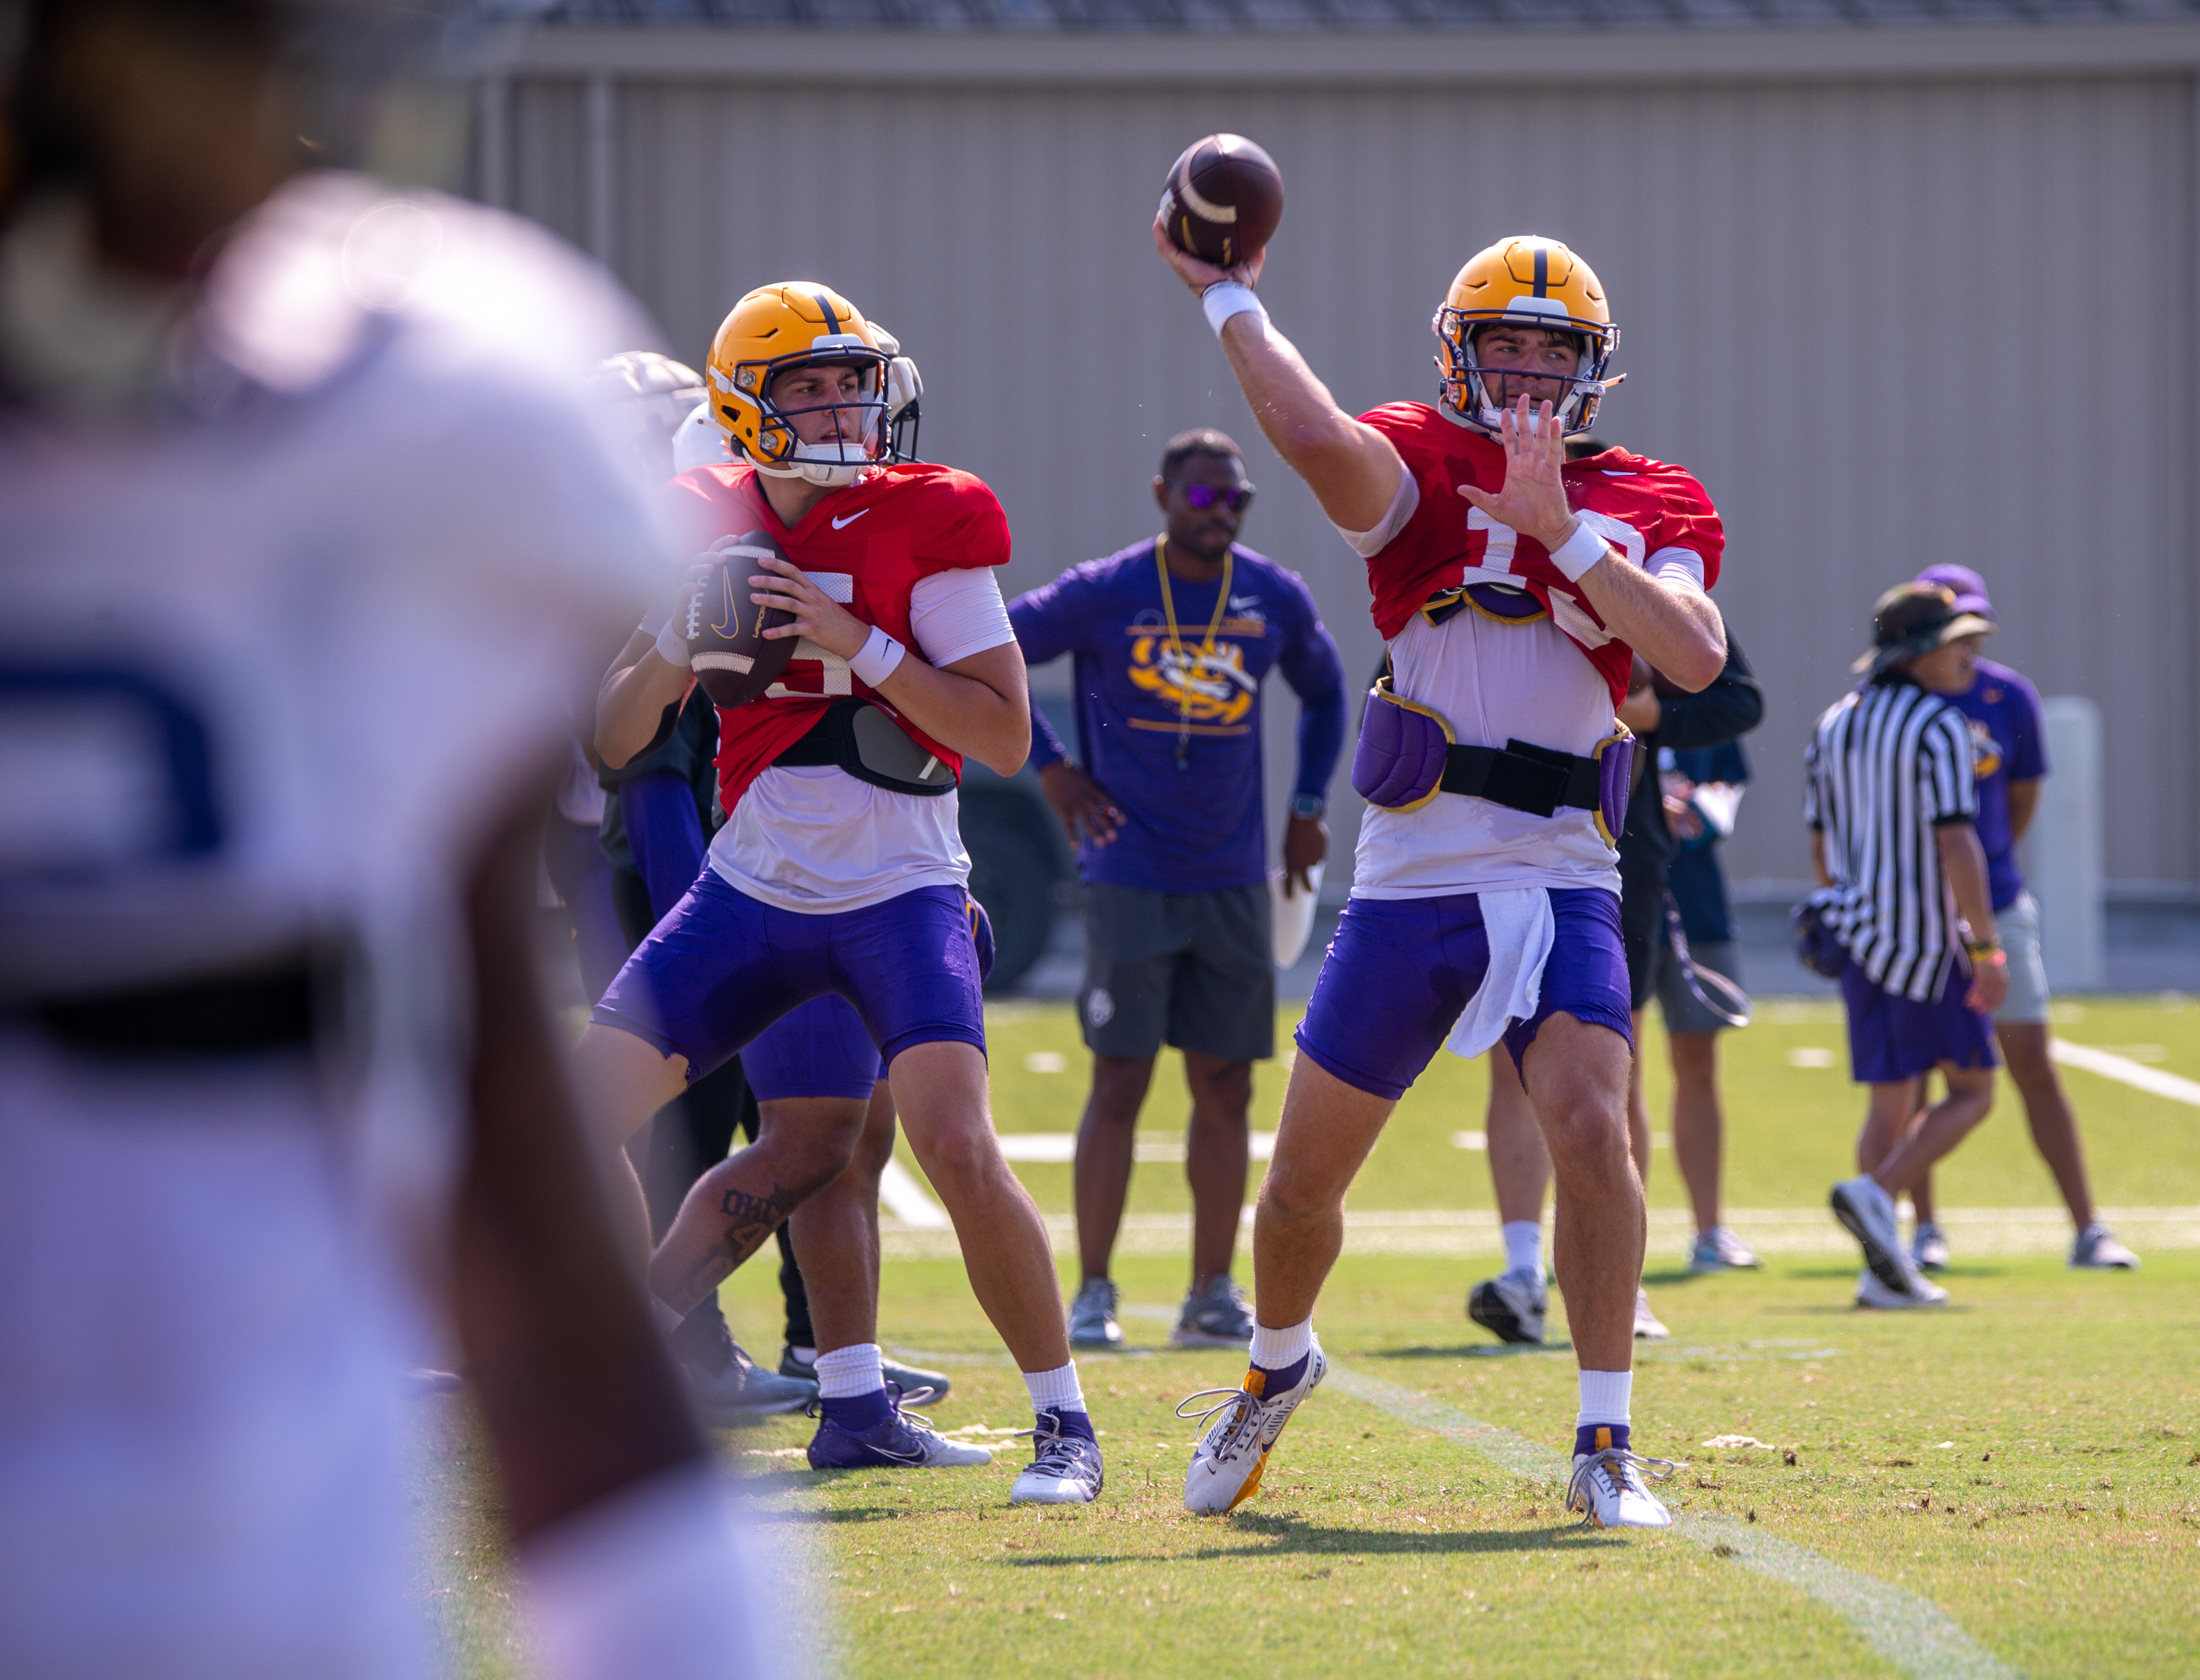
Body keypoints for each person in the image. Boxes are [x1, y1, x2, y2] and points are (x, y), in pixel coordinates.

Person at [0, 2, 792, 1675]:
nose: (271, 127)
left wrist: (684, 1636)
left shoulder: (436, 415)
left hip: (285, 1584)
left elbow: (501, 1128)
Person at [1155, 222, 1729, 1529]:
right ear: (1457, 354)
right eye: (1503, 346)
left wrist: (1568, 538)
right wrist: (1230, 297)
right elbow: (1312, 440)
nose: (1526, 373)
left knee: (1591, 1124)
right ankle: (1276, 1360)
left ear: (1594, 368)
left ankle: (1604, 1436)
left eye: (1551, 350)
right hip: (1413, 877)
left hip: (1565, 869)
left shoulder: (1653, 496)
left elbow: (1692, 659)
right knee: (1301, 1188)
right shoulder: (1419, 452)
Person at [580, 281, 1105, 1502]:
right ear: (742, 409)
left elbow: (1006, 736)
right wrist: (670, 640)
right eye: (805, 385)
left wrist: (852, 639)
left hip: (899, 889)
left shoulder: (930, 519)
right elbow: (615, 737)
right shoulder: (697, 520)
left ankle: (1064, 1424)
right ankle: (616, 1366)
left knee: (956, 1147)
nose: (838, 405)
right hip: (750, 890)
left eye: (849, 380)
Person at [1008, 428, 1346, 1352]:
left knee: (1226, 1086)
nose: (1223, 514)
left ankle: (1211, 1290)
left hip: (1234, 875)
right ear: (1163, 495)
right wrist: (1051, 766)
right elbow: (989, 645)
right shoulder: (1107, 589)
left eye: (1237, 499)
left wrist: (1309, 803)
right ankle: (1094, 1290)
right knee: (1119, 1077)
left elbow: (1327, 690)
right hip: (1129, 872)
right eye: (1205, 498)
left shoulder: (1271, 592)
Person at [1465, 632, 1761, 1348]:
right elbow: (1398, 694)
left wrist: (1652, 712)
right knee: (1511, 1065)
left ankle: (1618, 1278)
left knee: (1608, 1073)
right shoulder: (1475, 570)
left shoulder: (1639, 573)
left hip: (1613, 862)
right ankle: (1522, 1274)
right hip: (1500, 853)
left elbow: (1737, 699)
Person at [1899, 565, 2138, 1272]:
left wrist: (1986, 875)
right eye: (1953, 632)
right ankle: (1921, 1227)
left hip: (1998, 900)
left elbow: (2021, 798)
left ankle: (2088, 1225)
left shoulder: (2009, 695)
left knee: (2032, 1057)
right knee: (1917, 1071)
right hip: (1912, 910)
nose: (1966, 648)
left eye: (1974, 630)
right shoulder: (1893, 701)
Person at [1808, 581, 2009, 1309]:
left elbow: (1820, 841)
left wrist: (1848, 907)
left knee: (1889, 1103)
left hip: (1860, 936)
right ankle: (1876, 1192)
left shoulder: (1836, 721)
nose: (1970, 655)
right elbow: (1957, 840)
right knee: (1974, 1089)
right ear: (1920, 652)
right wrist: (1985, 948)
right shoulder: (1937, 726)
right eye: (1957, 642)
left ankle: (1878, 1270)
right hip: (1925, 941)